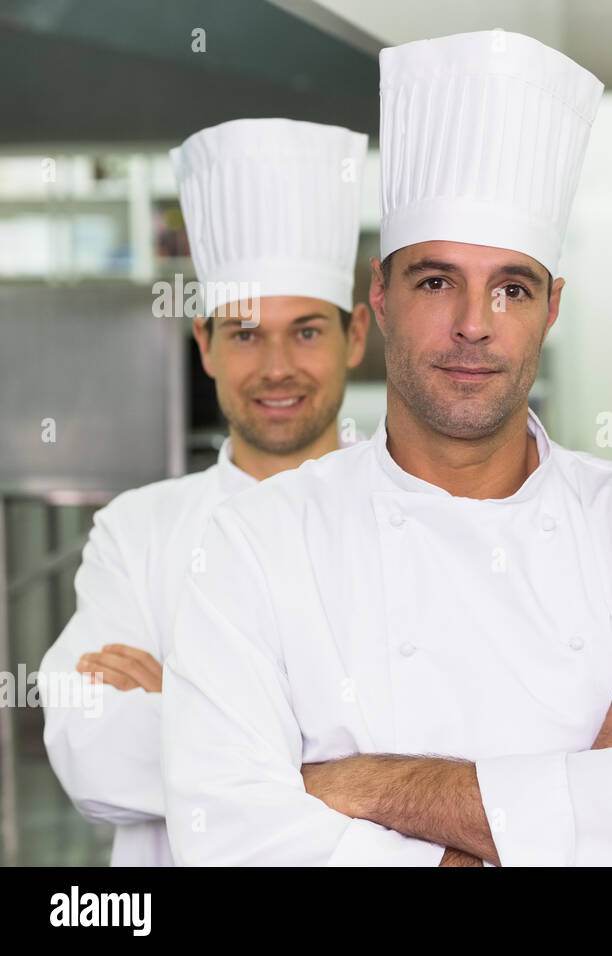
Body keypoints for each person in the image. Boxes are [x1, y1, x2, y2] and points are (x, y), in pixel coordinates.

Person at [161, 30, 612, 867]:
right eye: (437, 281)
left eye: (511, 287)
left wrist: (361, 786)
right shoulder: (259, 540)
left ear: (552, 307)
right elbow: (226, 835)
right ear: (380, 296)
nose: (474, 324)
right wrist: (577, 789)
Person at [39, 118, 371, 866]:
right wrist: (357, 772)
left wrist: (184, 714)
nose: (276, 366)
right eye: (245, 332)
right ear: (204, 345)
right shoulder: (139, 529)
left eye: (308, 332)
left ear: (354, 340)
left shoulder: (409, 512)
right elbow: (90, 751)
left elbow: (448, 749)